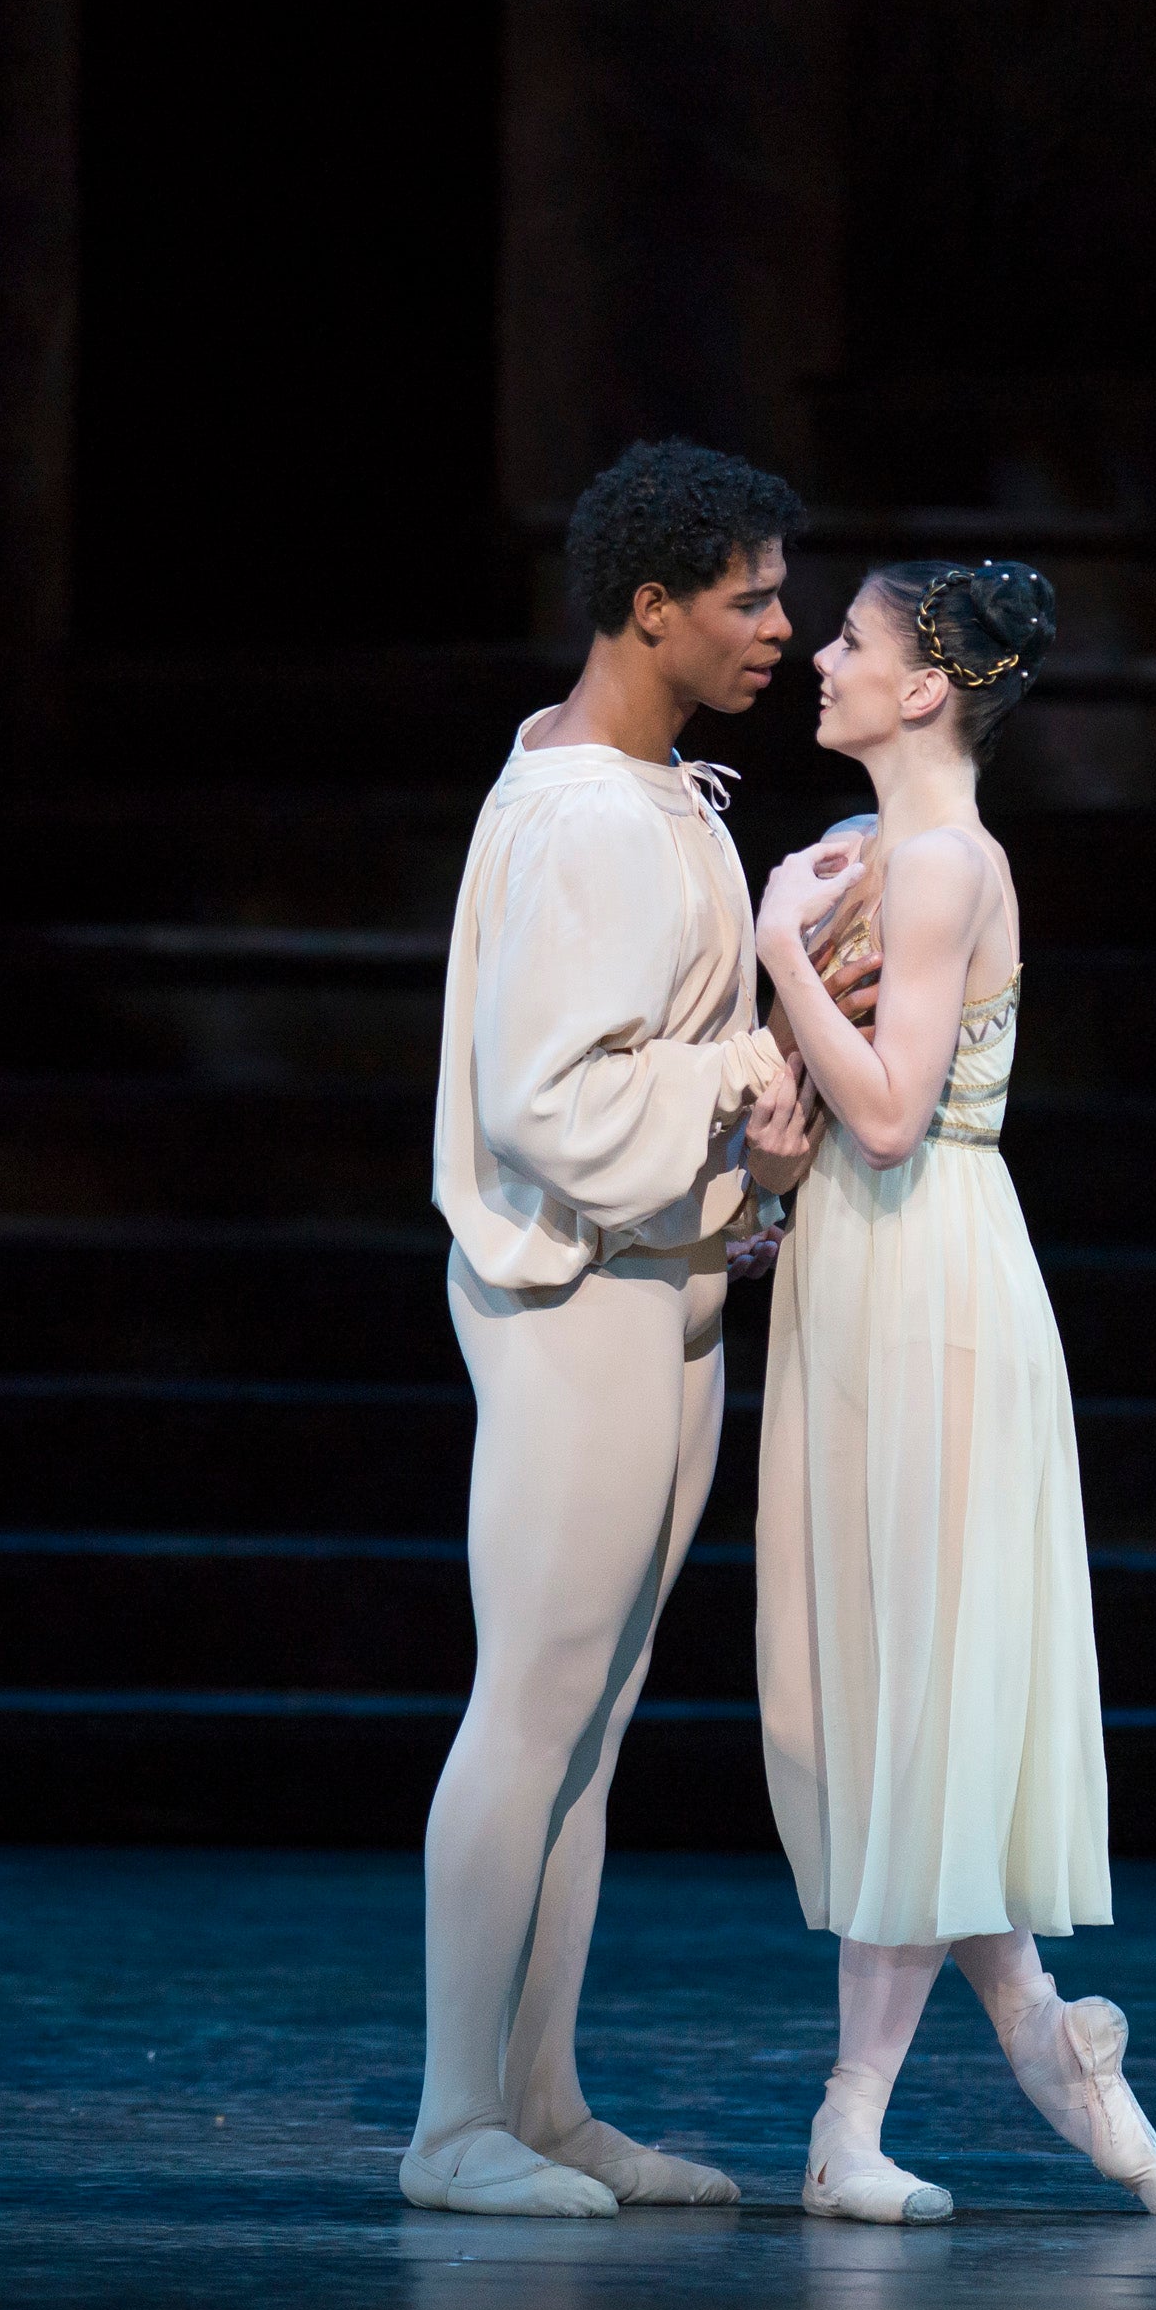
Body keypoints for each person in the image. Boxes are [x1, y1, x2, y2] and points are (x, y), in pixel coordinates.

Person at [745, 559, 1156, 2224]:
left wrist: (779, 941)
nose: (822, 662)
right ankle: (1050, 2044)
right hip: (866, 1277)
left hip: (932, 1277)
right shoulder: (881, 856)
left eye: (849, 643)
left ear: (925, 685)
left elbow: (885, 1110)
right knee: (885, 1690)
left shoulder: (940, 863)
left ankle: (850, 2122)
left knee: (920, 1681)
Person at [405, 440, 804, 2218]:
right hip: (576, 1299)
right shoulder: (583, 814)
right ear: (652, 608)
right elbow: (549, 1101)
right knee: (530, 1708)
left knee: (591, 1723)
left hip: (660, 1293)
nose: (780, 628)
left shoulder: (649, 799)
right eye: (751, 598)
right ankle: (449, 2122)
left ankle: (540, 2100)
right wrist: (749, 1072)